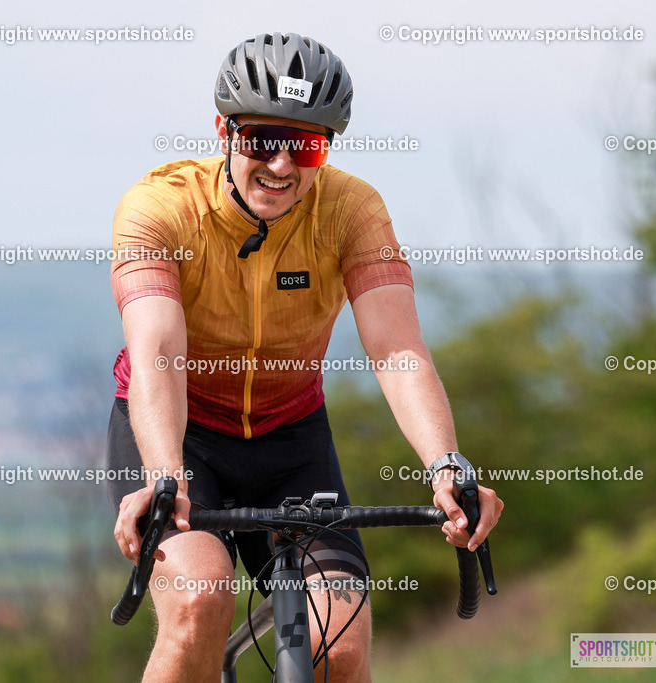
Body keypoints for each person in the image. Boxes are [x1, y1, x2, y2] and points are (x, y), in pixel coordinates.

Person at [107, 32, 503, 682]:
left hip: (289, 437)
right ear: (224, 130)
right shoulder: (160, 208)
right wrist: (163, 475)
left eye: (309, 144)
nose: (284, 165)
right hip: (179, 435)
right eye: (263, 140)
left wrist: (446, 464)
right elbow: (157, 352)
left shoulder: (351, 210)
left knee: (339, 647)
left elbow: (396, 348)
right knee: (200, 600)